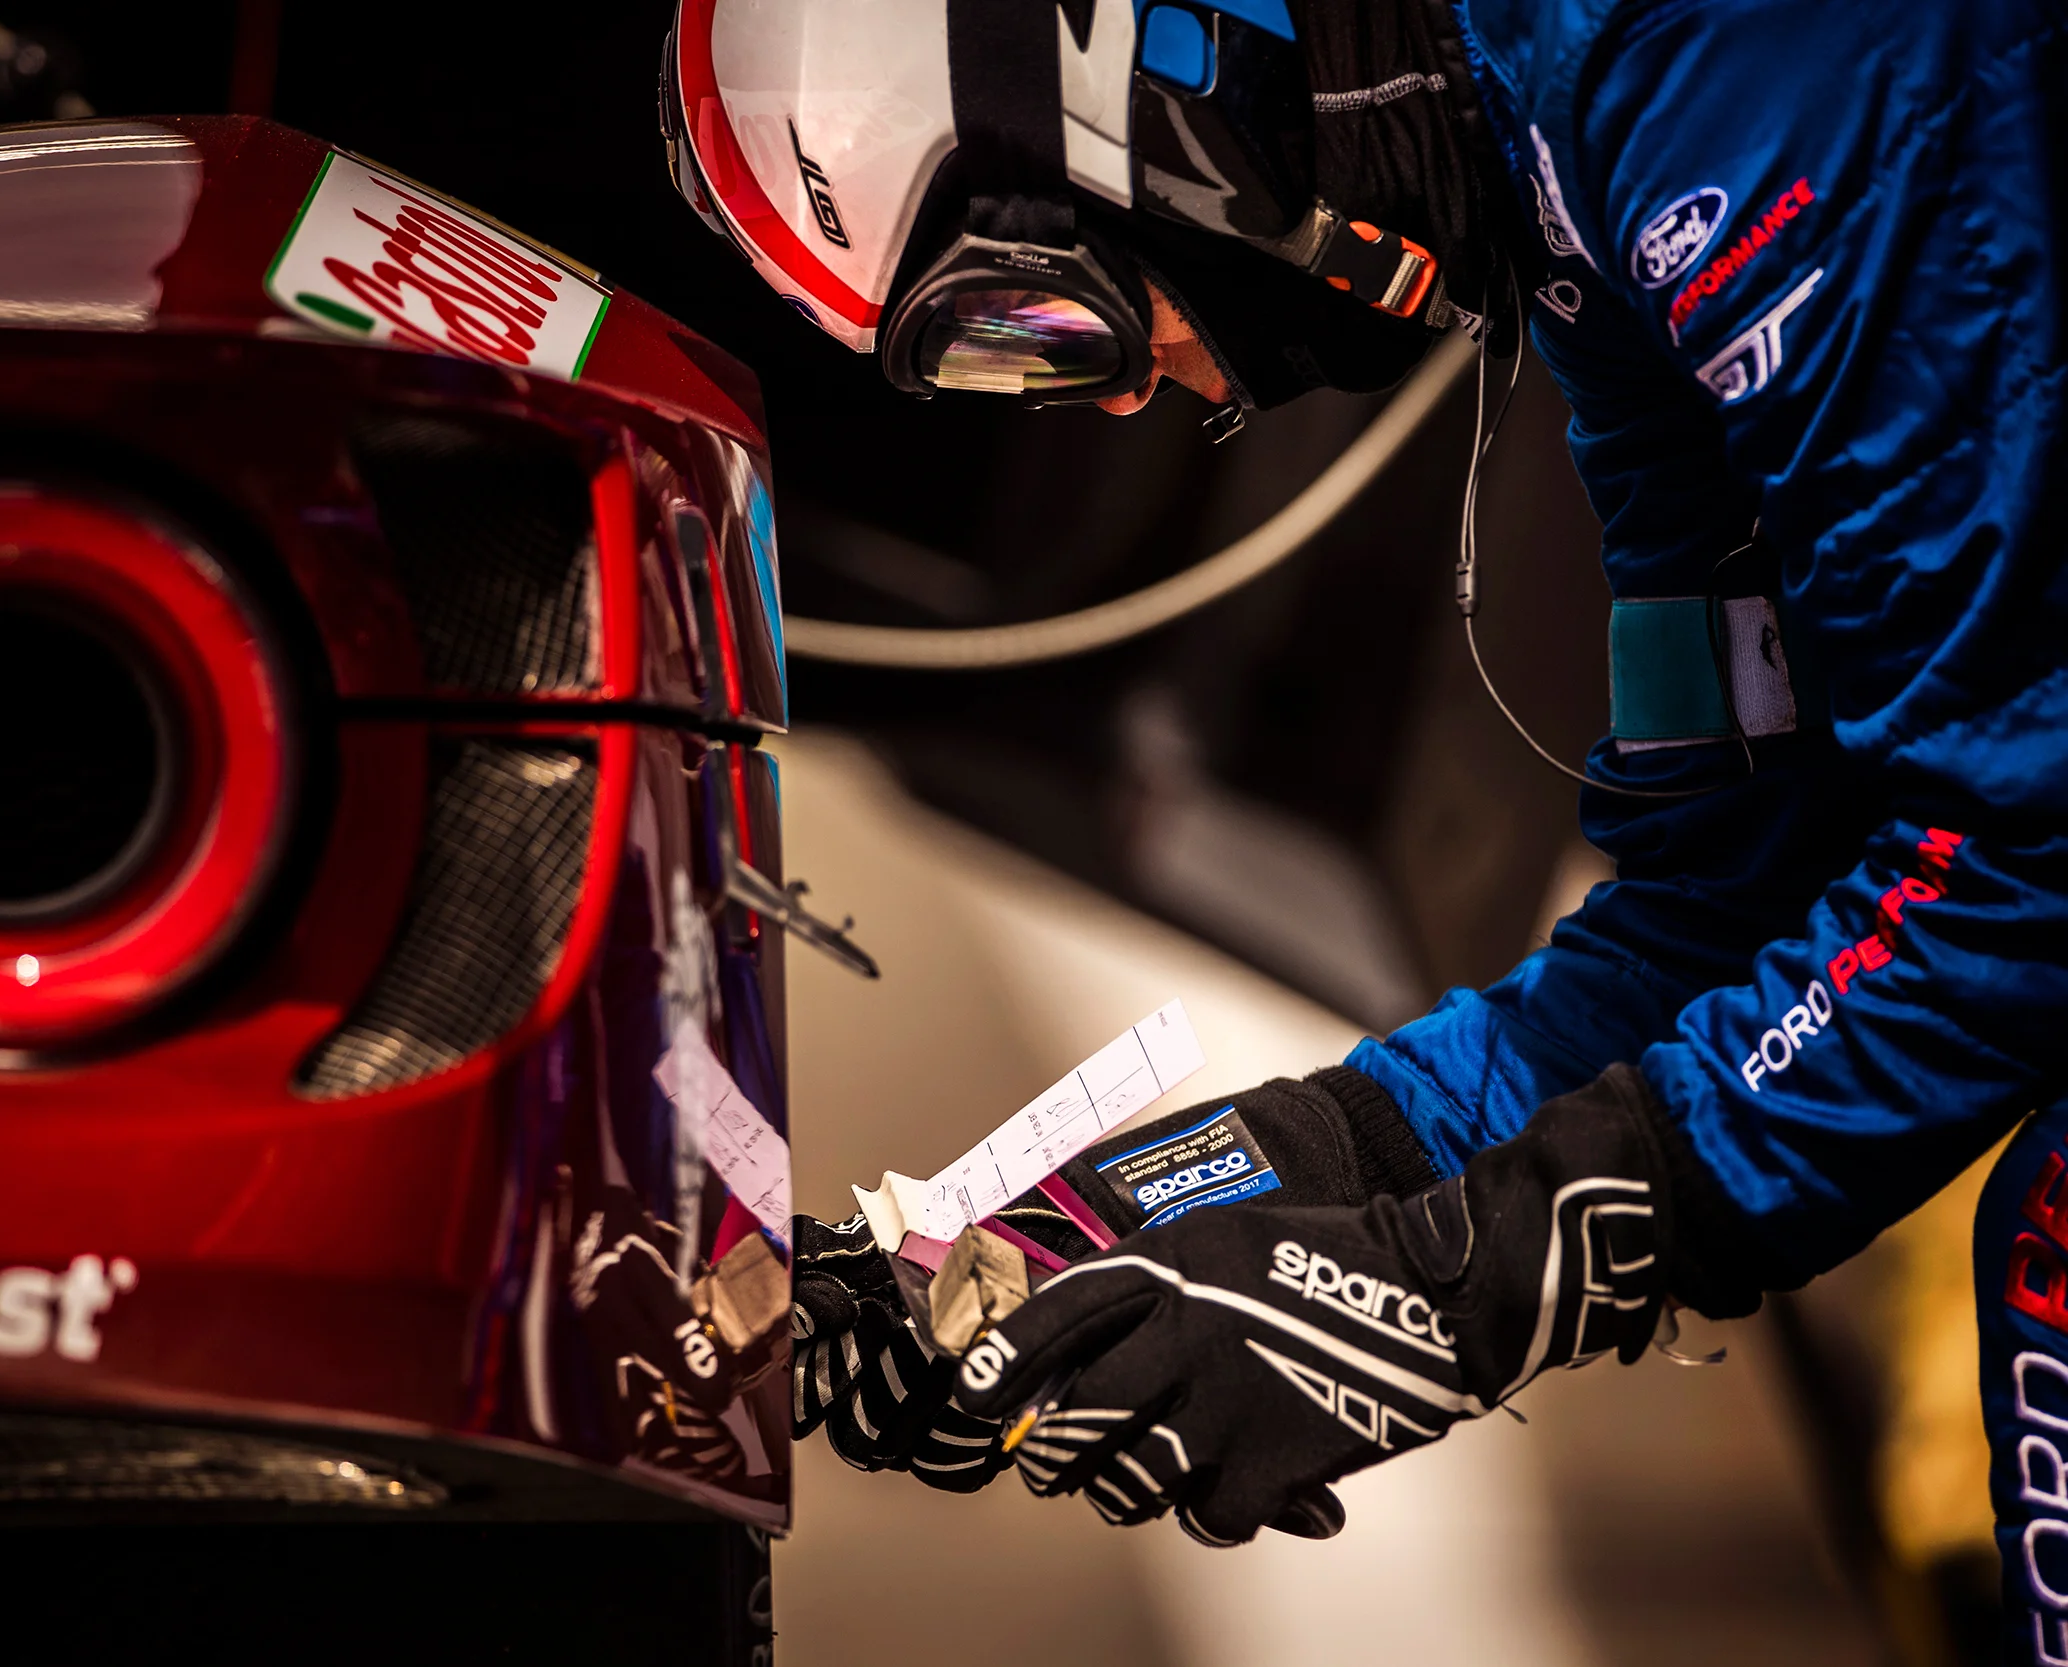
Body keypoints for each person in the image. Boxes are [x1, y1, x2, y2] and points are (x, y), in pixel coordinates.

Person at [661, 0, 2067, 1653]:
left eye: (1038, 320)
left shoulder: (1714, 60)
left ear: (1153, 78)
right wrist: (1095, 1225)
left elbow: (2029, 864)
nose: (1103, 401)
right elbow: (1732, 901)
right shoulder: (1569, 176)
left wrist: (1451, 1287)